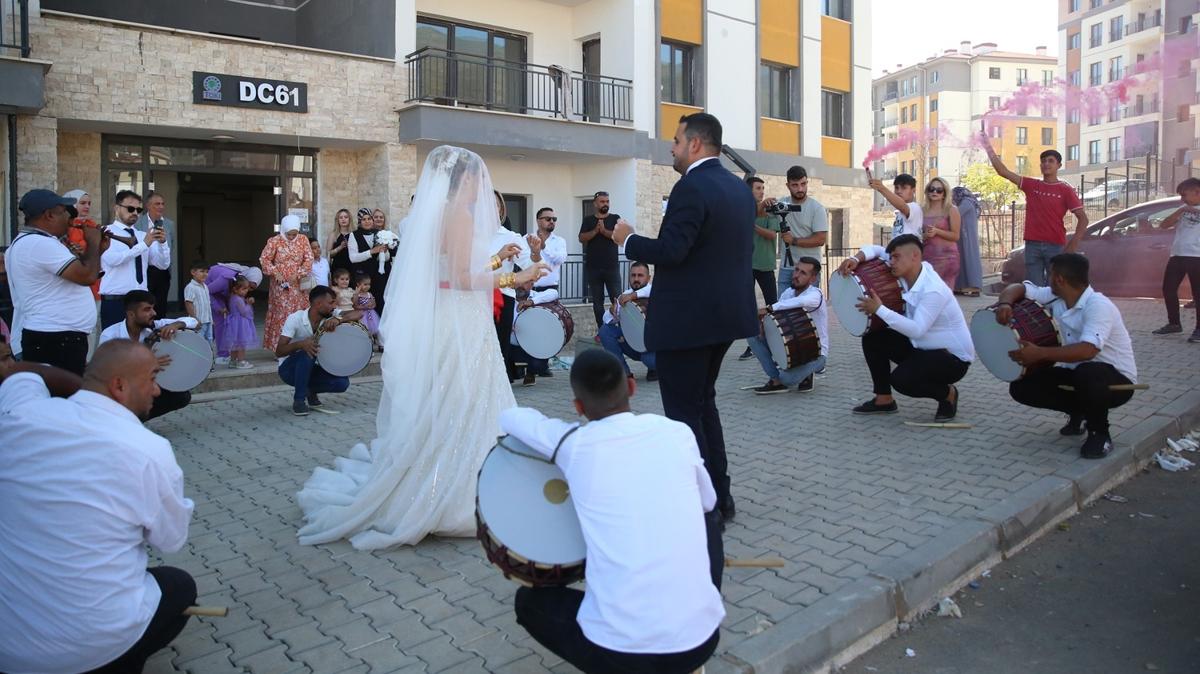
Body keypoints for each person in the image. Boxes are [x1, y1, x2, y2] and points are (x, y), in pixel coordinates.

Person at [297, 146, 548, 548]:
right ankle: (455, 486)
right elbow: (464, 279)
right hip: (462, 317)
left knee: (453, 395)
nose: (482, 188)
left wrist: (496, 258)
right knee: (466, 396)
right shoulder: (460, 215)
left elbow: (451, 271)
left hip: (451, 314)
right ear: (464, 180)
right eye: (478, 179)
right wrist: (514, 279)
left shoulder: (436, 215)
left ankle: (441, 471)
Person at [502, 349, 724, 674]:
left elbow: (512, 418)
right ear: (632, 387)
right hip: (701, 642)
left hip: (623, 657)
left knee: (529, 604)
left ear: (578, 407)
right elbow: (707, 504)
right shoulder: (676, 432)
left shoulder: (573, 444)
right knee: (709, 519)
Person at [0, 341, 195, 674]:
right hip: (92, 646)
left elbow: (20, 375)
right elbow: (171, 541)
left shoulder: (17, 417)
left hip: (10, 651)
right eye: (151, 378)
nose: (158, 390)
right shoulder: (148, 449)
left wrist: (86, 394)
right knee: (180, 587)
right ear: (119, 386)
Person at [614, 113, 756, 527]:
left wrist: (629, 240)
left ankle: (702, 506)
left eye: (676, 141)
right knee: (703, 405)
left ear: (695, 144)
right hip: (725, 318)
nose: (671, 148)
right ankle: (720, 496)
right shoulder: (738, 188)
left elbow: (674, 250)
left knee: (684, 416)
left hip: (690, 322)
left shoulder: (691, 186)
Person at [995, 253, 1137, 458]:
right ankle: (1079, 412)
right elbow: (1019, 288)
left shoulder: (1098, 306)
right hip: (1078, 375)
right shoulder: (1056, 296)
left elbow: (1088, 351)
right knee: (1022, 386)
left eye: (1049, 274)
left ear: (1059, 279)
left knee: (1088, 372)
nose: (1047, 278)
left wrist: (1040, 353)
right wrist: (1005, 304)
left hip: (1114, 382)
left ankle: (1100, 433)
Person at [837, 234, 974, 421]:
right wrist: (855, 259)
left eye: (896, 257)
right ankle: (883, 399)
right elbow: (876, 250)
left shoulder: (933, 289)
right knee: (873, 337)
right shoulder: (905, 269)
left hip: (951, 358)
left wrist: (879, 310)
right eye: (891, 256)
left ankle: (947, 394)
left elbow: (917, 329)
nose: (891, 261)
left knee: (902, 380)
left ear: (915, 256)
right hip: (921, 347)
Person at [7, 189, 103, 373]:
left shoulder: (32, 242)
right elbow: (87, 277)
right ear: (49, 215)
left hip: (55, 336)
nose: (69, 218)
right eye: (64, 212)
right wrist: (93, 242)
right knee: (61, 397)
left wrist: (98, 250)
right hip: (55, 338)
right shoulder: (40, 244)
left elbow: (79, 274)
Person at [982, 137, 1088, 286]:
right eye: (1043, 161)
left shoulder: (1065, 190)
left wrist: (1073, 244)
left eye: (1050, 161)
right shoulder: (1031, 185)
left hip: (1055, 245)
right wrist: (988, 147)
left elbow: (1083, 218)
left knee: (1056, 288)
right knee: (1034, 290)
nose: (1046, 164)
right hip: (1032, 245)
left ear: (1059, 165)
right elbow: (1003, 171)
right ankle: (1037, 310)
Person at [98, 289, 199, 419]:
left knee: (181, 397)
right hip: (119, 389)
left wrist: (176, 324)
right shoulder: (111, 334)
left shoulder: (154, 326)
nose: (154, 313)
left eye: (153, 308)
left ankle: (135, 421)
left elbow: (195, 322)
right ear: (131, 314)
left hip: (141, 385)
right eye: (147, 309)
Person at [275, 285, 361, 415]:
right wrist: (300, 345)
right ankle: (299, 401)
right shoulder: (295, 318)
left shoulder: (332, 315)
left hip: (314, 367)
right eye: (331, 302)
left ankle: (309, 391)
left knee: (342, 383)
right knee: (307, 351)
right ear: (318, 303)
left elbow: (359, 313)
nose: (334, 306)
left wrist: (339, 319)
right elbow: (279, 351)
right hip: (289, 370)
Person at [747, 257, 828, 394]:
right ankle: (776, 380)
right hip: (791, 346)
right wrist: (763, 325)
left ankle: (807, 372)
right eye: (796, 270)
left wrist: (768, 308)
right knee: (753, 334)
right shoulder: (788, 293)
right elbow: (776, 317)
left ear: (812, 279)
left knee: (788, 379)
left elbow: (799, 302)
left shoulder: (816, 295)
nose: (796, 275)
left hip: (816, 353)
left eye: (803, 273)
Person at [100, 190, 169, 328]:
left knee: (140, 346)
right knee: (116, 346)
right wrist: (143, 245)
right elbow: (113, 259)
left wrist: (162, 243)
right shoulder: (105, 231)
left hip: (141, 300)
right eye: (130, 208)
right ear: (117, 208)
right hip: (116, 301)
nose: (135, 213)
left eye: (138, 210)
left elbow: (162, 265)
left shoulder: (142, 235)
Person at [1151, 177, 1200, 342]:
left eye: (1184, 195)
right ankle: (1174, 324)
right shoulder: (1183, 209)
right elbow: (1163, 225)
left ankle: (1199, 330)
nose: (1182, 199)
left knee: (1198, 294)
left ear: (1197, 192)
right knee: (1168, 289)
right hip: (1178, 255)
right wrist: (1181, 210)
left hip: (1197, 256)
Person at [492, 190, 534, 381]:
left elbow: (532, 267)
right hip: (471, 298)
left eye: (495, 204)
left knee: (499, 347)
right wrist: (497, 258)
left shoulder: (510, 236)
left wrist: (536, 253)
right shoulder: (466, 236)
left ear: (501, 208)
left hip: (501, 299)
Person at [259, 214, 314, 351]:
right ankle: (280, 348)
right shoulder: (274, 241)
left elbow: (309, 259)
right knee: (282, 314)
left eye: (294, 234)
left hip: (299, 285)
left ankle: (301, 345)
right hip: (280, 286)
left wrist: (299, 273)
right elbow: (264, 259)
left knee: (299, 314)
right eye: (289, 234)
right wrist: (275, 272)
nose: (291, 237)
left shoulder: (303, 240)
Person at [739, 177, 779, 360]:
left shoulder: (771, 212)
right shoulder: (744, 209)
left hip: (766, 265)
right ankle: (753, 344)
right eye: (757, 188)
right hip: (748, 265)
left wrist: (752, 225)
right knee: (748, 306)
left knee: (772, 304)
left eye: (763, 188)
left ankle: (776, 340)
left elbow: (771, 235)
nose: (762, 191)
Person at [775, 166, 828, 299]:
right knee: (782, 309)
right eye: (795, 185)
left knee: (806, 310)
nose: (800, 189)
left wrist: (793, 240)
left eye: (803, 184)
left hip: (808, 269)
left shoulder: (817, 208)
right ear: (788, 185)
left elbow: (820, 239)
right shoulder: (782, 203)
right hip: (787, 267)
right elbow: (759, 214)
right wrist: (764, 204)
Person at [597, 261, 657, 381]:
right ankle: (623, 373)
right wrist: (612, 311)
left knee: (649, 361)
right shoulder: (625, 295)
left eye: (640, 275)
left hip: (655, 349)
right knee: (605, 331)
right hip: (634, 346)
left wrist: (634, 295)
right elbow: (606, 320)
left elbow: (650, 291)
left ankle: (655, 369)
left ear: (648, 278)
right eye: (633, 275)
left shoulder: (656, 292)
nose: (636, 279)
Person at [579, 190, 623, 327]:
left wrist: (604, 231)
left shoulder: (615, 218)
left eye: (607, 201)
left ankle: (622, 330)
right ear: (595, 204)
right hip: (593, 268)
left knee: (618, 301)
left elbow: (619, 236)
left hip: (611, 268)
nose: (605, 204)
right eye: (602, 202)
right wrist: (595, 231)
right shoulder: (588, 220)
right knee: (597, 303)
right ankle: (603, 330)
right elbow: (581, 238)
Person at [205, 262, 263, 365]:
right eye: (248, 286)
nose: (248, 290)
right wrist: (218, 308)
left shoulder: (237, 287)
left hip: (221, 291)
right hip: (210, 288)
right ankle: (222, 355)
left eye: (252, 289)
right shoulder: (226, 279)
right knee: (220, 321)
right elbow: (206, 291)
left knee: (227, 324)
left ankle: (230, 358)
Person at [510, 280, 561, 386]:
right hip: (511, 346)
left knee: (539, 365)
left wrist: (532, 302)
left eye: (525, 282)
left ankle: (530, 373)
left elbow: (554, 293)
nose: (520, 285)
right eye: (519, 281)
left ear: (532, 285)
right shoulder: (508, 297)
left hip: (533, 347)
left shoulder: (535, 296)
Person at [137, 191, 175, 318]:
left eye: (162, 204)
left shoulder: (169, 224)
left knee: (161, 306)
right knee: (144, 305)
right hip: (145, 270)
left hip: (162, 272)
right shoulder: (138, 223)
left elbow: (172, 247)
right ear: (148, 206)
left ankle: (159, 333)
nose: (161, 207)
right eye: (157, 204)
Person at [920, 177, 962, 287]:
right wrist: (925, 235)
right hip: (927, 258)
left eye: (939, 190)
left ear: (944, 193)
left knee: (944, 294)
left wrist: (937, 231)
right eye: (931, 189)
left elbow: (956, 236)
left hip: (947, 258)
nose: (935, 192)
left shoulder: (951, 210)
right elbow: (918, 234)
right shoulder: (922, 210)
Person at [869, 171, 923, 241]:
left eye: (904, 188)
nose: (899, 191)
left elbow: (902, 206)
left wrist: (881, 188)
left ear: (913, 190)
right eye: (896, 188)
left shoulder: (915, 207)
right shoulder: (899, 213)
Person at [526, 206, 568, 293]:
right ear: (538, 221)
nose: (552, 221)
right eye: (548, 219)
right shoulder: (527, 238)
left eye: (554, 219)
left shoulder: (559, 241)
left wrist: (544, 247)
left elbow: (561, 260)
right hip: (529, 290)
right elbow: (524, 262)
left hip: (551, 289)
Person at [953, 186, 984, 297]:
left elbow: (955, 214)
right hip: (964, 236)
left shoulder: (966, 203)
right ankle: (961, 286)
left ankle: (975, 286)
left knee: (970, 260)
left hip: (967, 237)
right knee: (962, 260)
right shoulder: (968, 202)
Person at [224, 277, 257, 369]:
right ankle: (241, 361)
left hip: (234, 323)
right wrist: (249, 304)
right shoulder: (238, 299)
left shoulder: (233, 297)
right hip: (240, 324)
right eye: (244, 289)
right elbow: (244, 312)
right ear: (235, 289)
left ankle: (233, 361)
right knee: (241, 343)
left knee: (235, 343)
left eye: (247, 288)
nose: (246, 291)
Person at [184, 260, 214, 349]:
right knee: (199, 342)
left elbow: (207, 304)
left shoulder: (205, 286)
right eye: (202, 271)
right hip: (199, 322)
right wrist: (194, 318)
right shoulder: (190, 287)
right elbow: (188, 303)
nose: (205, 274)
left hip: (207, 320)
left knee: (209, 342)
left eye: (207, 272)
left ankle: (209, 361)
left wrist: (211, 319)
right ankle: (199, 362)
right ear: (193, 272)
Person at [352, 271, 381, 351]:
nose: (367, 286)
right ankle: (365, 345)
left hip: (371, 314)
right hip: (362, 314)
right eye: (365, 284)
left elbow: (374, 304)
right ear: (358, 284)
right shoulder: (358, 295)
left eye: (369, 284)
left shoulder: (369, 294)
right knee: (364, 330)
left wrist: (370, 306)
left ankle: (377, 343)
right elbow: (354, 305)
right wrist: (363, 306)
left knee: (374, 329)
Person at [327, 208, 354, 273]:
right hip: (337, 268)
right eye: (341, 217)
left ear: (349, 219)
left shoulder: (354, 233)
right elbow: (328, 254)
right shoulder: (333, 235)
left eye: (346, 217)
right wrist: (340, 247)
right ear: (337, 220)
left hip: (352, 267)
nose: (343, 219)